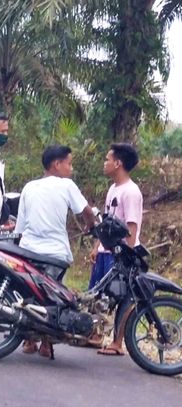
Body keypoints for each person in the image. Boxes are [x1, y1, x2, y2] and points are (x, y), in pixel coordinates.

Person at [16, 145, 96, 356]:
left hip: (28, 251)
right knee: (53, 298)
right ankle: (46, 343)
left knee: (30, 295)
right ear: (56, 164)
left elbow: (21, 226)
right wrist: (91, 225)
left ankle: (28, 341)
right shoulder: (66, 185)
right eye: (69, 163)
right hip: (55, 255)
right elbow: (87, 212)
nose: (71, 168)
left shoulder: (29, 187)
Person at [89, 143, 143, 356]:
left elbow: (132, 226)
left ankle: (118, 342)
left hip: (120, 254)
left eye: (107, 159)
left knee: (122, 296)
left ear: (118, 163)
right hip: (105, 251)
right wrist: (96, 247)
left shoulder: (131, 192)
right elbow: (104, 224)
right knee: (98, 294)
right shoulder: (113, 189)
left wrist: (127, 256)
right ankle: (95, 335)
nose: (105, 163)